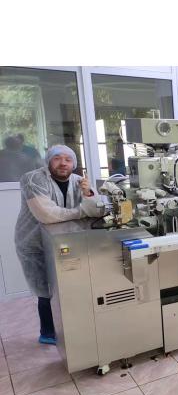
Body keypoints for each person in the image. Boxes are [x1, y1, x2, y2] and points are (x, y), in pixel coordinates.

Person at [14, 145, 105, 345]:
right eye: (57, 158)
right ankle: (47, 333)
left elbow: (98, 210)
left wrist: (88, 193)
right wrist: (82, 211)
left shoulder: (78, 181)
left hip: (67, 241)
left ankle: (72, 329)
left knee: (71, 285)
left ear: (74, 163)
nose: (63, 163)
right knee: (46, 291)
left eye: (68, 159)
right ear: (49, 161)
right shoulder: (33, 179)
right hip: (35, 244)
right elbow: (47, 215)